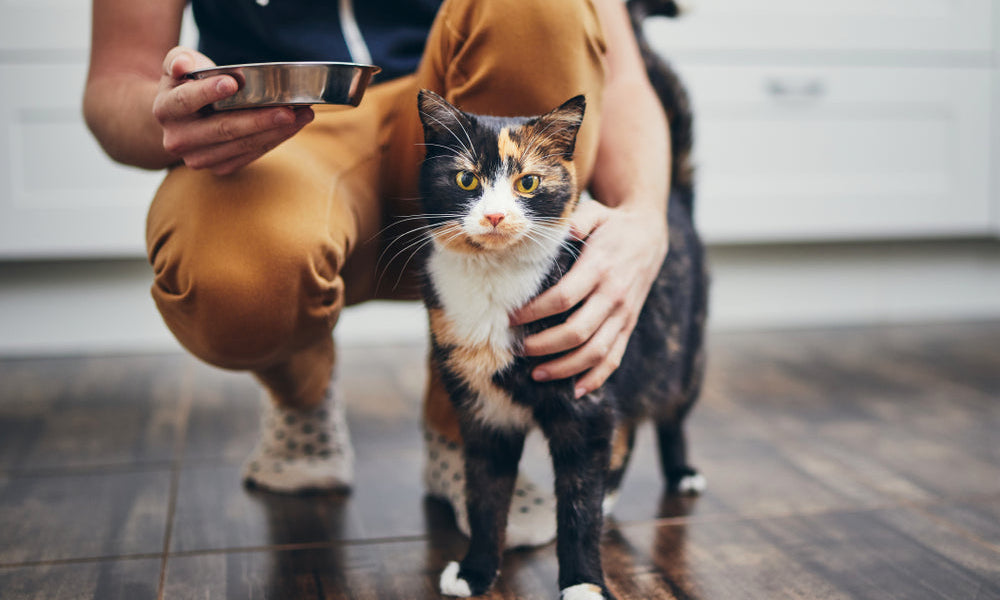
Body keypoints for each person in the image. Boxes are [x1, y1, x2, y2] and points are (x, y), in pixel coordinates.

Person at [84, 0, 669, 547]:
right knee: (232, 284)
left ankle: (466, 428)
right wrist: (170, 112)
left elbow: (619, 76)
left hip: (462, 118)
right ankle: (300, 392)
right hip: (274, 131)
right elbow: (116, 83)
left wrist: (644, 217)